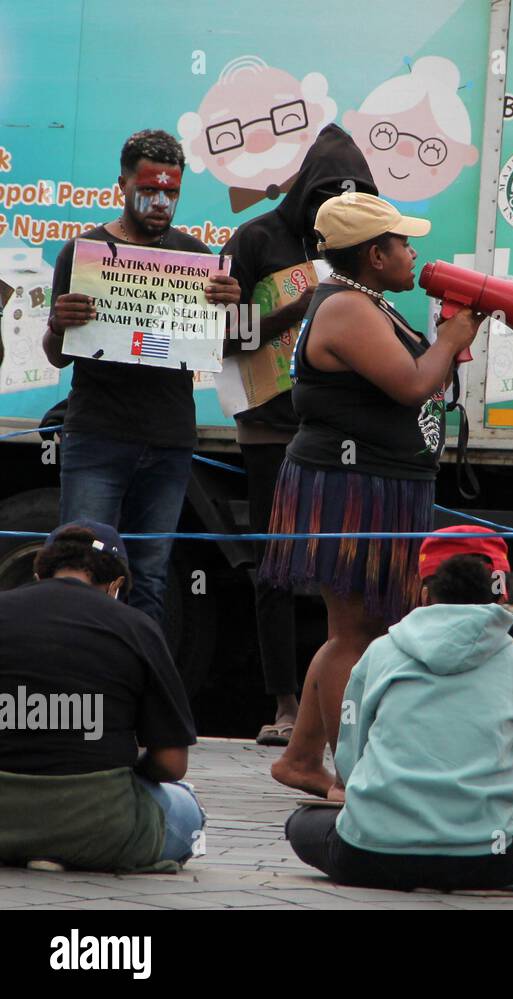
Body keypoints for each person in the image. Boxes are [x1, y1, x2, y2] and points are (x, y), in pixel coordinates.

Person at [260, 192, 483, 796]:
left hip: (378, 483)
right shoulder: (349, 309)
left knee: (360, 627)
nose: (414, 253)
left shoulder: (369, 303)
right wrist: (454, 334)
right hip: (351, 487)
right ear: (375, 254)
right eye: (403, 243)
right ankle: (357, 776)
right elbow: (412, 384)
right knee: (356, 633)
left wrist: (445, 337)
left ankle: (302, 759)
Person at [284, 526, 513, 892]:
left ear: (423, 593)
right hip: (484, 862)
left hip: (370, 857)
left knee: (301, 822)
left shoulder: (381, 653)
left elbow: (351, 764)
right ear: (502, 592)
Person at [42, 129, 242, 625]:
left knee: (149, 577)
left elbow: (222, 347)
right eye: (148, 190)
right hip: (96, 438)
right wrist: (56, 325)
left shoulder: (198, 259)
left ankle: (141, 691)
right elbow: (56, 358)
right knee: (81, 573)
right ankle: (80, 680)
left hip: (169, 440)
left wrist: (231, 311)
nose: (160, 202)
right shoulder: (82, 252)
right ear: (121, 185)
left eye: (171, 192)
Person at [221, 125, 378, 746]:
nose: (332, 215)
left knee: (344, 573)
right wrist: (302, 305)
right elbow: (228, 336)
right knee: (275, 571)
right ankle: (285, 704)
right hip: (268, 430)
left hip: (335, 433)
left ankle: (340, 705)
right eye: (324, 201)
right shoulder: (256, 238)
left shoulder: (364, 246)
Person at [0, 522, 204, 873]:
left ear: (39, 572)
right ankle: (60, 849)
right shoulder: (136, 626)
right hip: (102, 828)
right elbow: (172, 764)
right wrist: (135, 772)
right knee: (187, 807)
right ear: (115, 584)